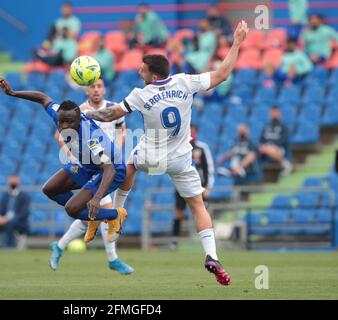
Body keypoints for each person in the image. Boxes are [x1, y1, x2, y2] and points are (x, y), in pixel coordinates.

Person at [85, 19, 250, 286]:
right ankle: (212, 256)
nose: (139, 73)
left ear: (153, 76)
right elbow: (222, 75)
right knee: (197, 206)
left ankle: (117, 213)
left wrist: (88, 115)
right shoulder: (186, 82)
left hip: (151, 155)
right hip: (181, 158)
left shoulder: (141, 94)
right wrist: (238, 41)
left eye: (142, 70)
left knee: (128, 164)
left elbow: (112, 112)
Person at [0, 77, 128, 245]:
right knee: (50, 189)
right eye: (61, 122)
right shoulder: (60, 113)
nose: (64, 126)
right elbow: (42, 98)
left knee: (72, 209)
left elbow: (109, 169)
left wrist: (96, 199)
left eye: (69, 122)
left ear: (79, 119)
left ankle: (116, 215)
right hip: (89, 166)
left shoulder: (91, 139)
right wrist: (12, 93)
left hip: (111, 171)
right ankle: (92, 216)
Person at [50, 78, 132, 274]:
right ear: (86, 91)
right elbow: (58, 135)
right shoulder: (79, 111)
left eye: (99, 86)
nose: (96, 90)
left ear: (104, 89)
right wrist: (71, 154)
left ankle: (59, 246)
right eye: (92, 87)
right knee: (104, 209)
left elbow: (122, 130)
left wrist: (117, 151)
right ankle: (113, 259)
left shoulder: (113, 108)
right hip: (91, 167)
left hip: (107, 165)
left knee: (90, 215)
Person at [172, 124, 214, 250]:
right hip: (181, 185)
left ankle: (208, 241)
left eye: (193, 131)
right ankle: (174, 241)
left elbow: (209, 167)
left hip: (199, 187)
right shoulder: (180, 147)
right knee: (178, 213)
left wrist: (208, 186)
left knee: (203, 211)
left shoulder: (201, 148)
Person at [0, 176, 31, 248]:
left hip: (20, 223)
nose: (13, 184)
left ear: (18, 183)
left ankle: (10, 246)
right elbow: (0, 210)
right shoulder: (5, 196)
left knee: (10, 224)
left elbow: (23, 213)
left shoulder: (24, 197)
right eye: (11, 182)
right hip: (4, 221)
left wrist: (8, 219)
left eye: (14, 182)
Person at [259, 106, 292, 177]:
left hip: (279, 149)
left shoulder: (283, 126)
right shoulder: (266, 126)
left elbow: (284, 140)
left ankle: (285, 164)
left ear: (279, 113)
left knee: (270, 148)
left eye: (276, 112)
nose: (274, 114)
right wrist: (264, 146)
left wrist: (272, 145)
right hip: (266, 149)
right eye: (272, 112)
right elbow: (261, 140)